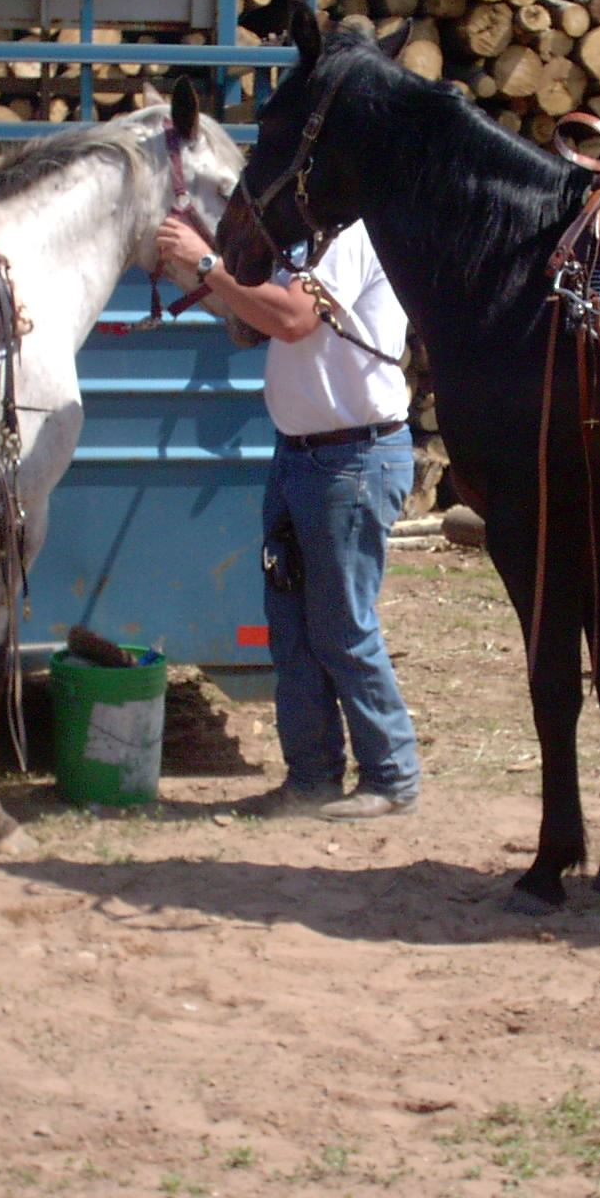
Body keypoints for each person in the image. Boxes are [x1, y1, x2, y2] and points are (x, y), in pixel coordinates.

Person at [157, 214, 422, 820]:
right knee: (295, 627)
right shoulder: (304, 244)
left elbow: (294, 320)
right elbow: (259, 322)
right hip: (307, 454)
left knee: (340, 625)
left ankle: (391, 777)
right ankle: (312, 778)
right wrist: (204, 281)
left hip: (349, 457)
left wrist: (206, 264)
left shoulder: (350, 235)